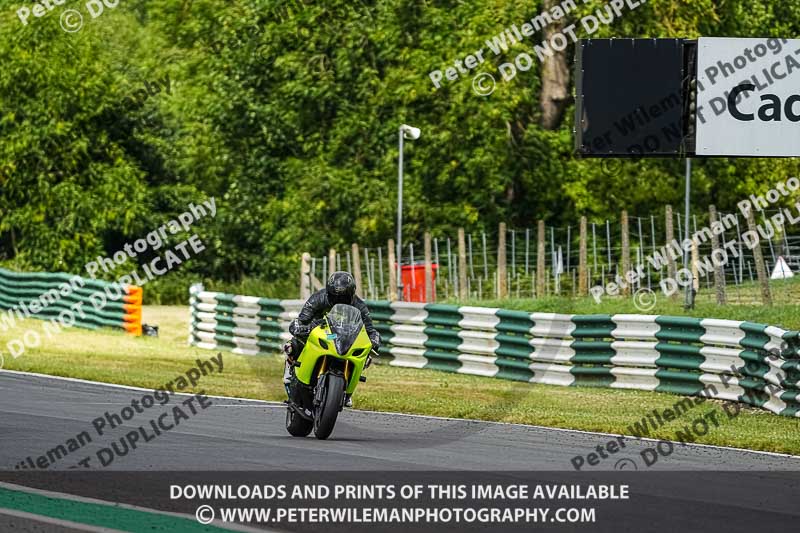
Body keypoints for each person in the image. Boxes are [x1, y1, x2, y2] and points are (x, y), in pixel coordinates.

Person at [283, 271, 381, 408]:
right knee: (293, 345)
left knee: (365, 357)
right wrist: (304, 327)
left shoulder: (359, 305)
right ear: (329, 292)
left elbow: (370, 329)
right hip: (319, 332)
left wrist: (374, 339)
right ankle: (290, 373)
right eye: (335, 296)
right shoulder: (318, 298)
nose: (339, 300)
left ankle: (346, 392)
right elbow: (303, 319)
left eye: (344, 297)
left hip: (342, 338)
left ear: (351, 294)